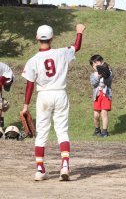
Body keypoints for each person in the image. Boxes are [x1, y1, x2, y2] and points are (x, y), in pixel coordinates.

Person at [21, 23, 86, 181]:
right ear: (52, 37)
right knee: (62, 131)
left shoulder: (33, 60)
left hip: (44, 96)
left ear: (37, 38)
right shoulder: (61, 53)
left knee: (42, 133)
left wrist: (25, 105)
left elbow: (30, 84)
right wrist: (79, 32)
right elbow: (76, 47)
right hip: (60, 93)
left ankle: (39, 169)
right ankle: (64, 165)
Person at [89, 55, 113, 137]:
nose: (95, 64)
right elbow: (93, 83)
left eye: (97, 62)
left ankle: (105, 131)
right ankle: (97, 130)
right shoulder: (93, 75)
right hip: (97, 96)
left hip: (105, 95)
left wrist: (106, 74)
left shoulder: (109, 71)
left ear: (102, 62)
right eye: (93, 64)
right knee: (96, 115)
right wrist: (99, 76)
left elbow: (109, 81)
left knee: (104, 113)